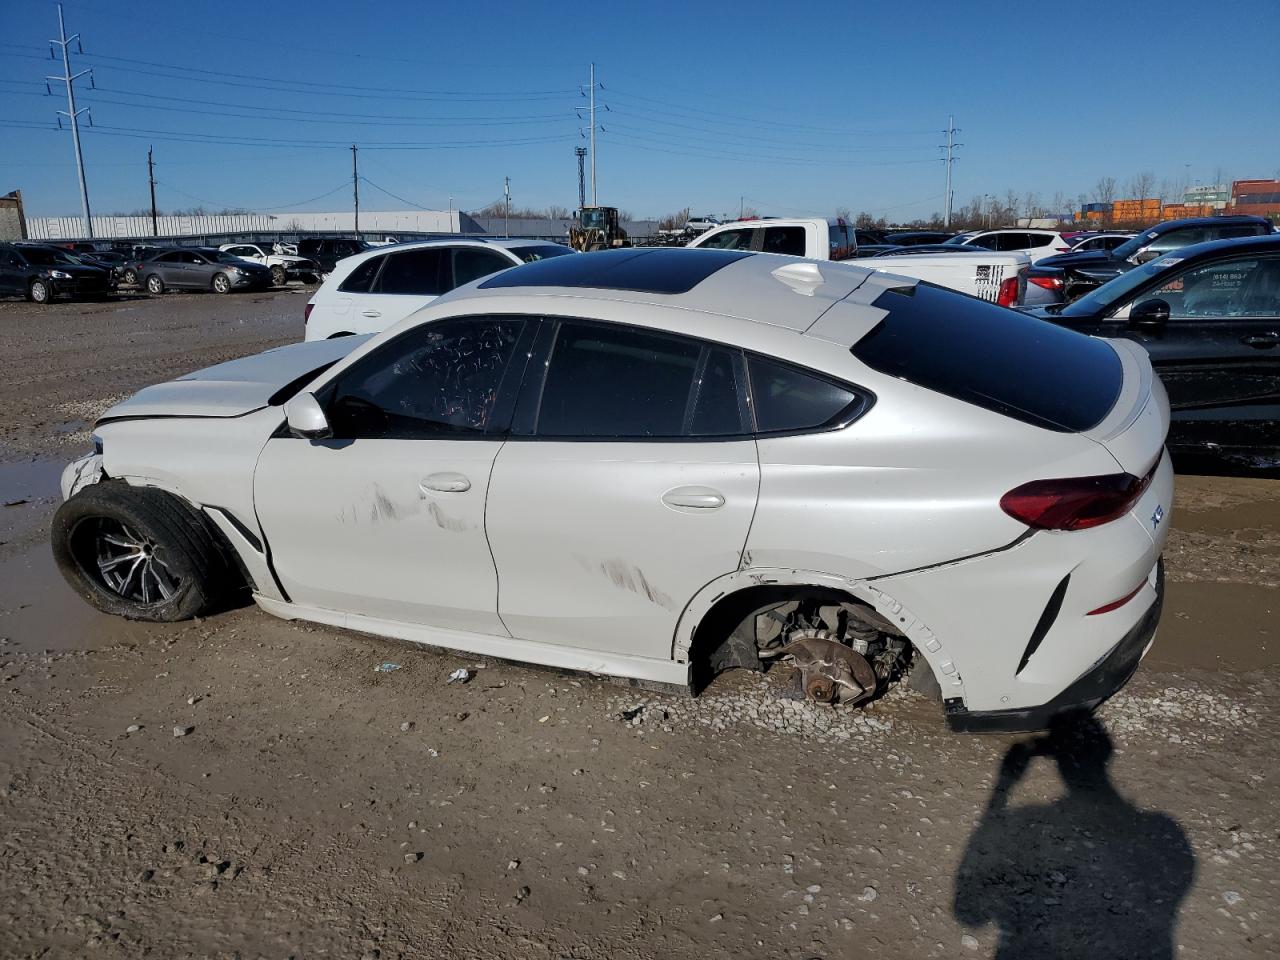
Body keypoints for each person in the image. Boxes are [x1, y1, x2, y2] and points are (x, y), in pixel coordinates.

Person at [954, 713, 1194, 959]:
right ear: (1106, 755)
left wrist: (1004, 785)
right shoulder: (1163, 831)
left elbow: (969, 913)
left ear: (1056, 761)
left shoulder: (1029, 826)